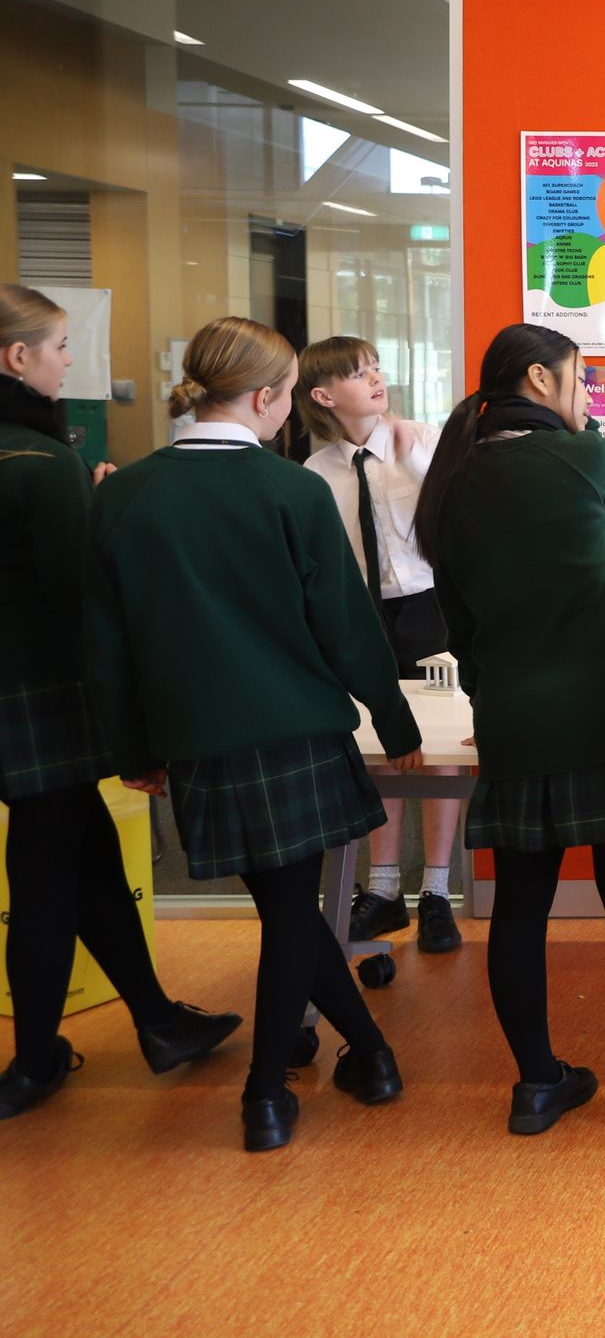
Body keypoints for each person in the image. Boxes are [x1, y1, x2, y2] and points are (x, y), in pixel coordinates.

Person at [84, 316, 425, 1151]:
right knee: (290, 914)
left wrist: (132, 748)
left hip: (199, 740)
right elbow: (345, 622)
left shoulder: (125, 493)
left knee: (287, 909)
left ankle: (372, 1054)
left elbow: (107, 643)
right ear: (268, 397)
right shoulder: (290, 490)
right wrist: (393, 714)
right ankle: (266, 1094)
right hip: (298, 732)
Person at [414, 323, 605, 1135]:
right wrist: (584, 427)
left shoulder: (455, 478)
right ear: (538, 378)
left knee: (520, 906)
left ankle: (536, 1084)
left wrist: (491, 698)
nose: (587, 393)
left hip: (516, 719)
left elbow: (459, 623)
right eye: (579, 377)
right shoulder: (579, 455)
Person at [1, 287, 241, 1120]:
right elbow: (85, 596)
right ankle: (33, 1061)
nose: (69, 361)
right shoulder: (40, 462)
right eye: (61, 346)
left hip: (12, 693)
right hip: (44, 689)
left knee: (84, 851)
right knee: (43, 870)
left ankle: (158, 1020)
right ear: (18, 357)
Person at [298, 336, 462, 956]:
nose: (375, 379)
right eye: (358, 373)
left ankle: (438, 891)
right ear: (323, 396)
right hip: (360, 615)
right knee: (378, 745)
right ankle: (385, 885)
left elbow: (460, 514)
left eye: (375, 368)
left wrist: (422, 465)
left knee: (440, 746)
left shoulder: (423, 441)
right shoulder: (316, 473)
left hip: (431, 607)